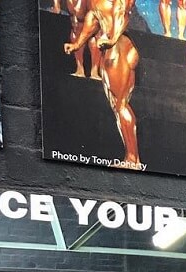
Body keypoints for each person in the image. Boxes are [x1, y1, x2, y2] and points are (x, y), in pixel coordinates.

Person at [64, 0, 141, 169]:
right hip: (112, 47)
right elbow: (92, 20)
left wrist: (113, 38)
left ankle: (133, 159)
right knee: (116, 104)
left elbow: (123, 13)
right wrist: (77, 44)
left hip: (120, 46)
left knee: (121, 104)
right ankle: (130, 157)